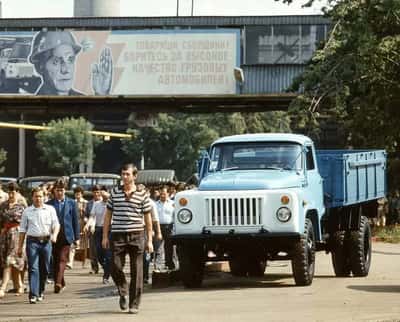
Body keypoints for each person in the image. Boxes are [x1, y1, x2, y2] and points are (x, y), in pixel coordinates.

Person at [102, 163, 153, 314]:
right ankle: (123, 291)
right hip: (117, 235)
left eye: (127, 174)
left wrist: (149, 240)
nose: (124, 177)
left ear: (134, 176)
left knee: (137, 270)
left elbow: (148, 219)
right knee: (114, 265)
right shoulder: (115, 193)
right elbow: (108, 216)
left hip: (137, 235)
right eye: (123, 174)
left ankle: (134, 304)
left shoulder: (142, 194)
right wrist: (105, 236)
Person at [29, 30, 113, 96]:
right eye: (56, 62)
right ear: (40, 67)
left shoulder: (83, 102)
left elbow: (97, 117)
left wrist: (101, 94)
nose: (66, 70)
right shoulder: (32, 108)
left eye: (70, 60)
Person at [17, 187, 60, 304]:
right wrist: (19, 247)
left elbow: (56, 224)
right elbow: (22, 230)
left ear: (44, 197)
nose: (38, 199)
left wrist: (54, 235)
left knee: (45, 268)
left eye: (40, 196)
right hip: (32, 242)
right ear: (32, 197)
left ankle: (41, 290)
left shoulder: (50, 209)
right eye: (36, 196)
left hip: (46, 242)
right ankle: (33, 294)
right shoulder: (27, 211)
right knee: (33, 268)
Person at [46, 178, 80, 294]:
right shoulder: (49, 204)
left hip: (67, 235)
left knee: (62, 259)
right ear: (54, 191)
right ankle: (62, 281)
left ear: (65, 191)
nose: (60, 192)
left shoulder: (71, 203)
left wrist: (77, 238)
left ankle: (58, 283)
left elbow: (75, 221)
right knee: (55, 260)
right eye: (57, 190)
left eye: (62, 190)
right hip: (53, 236)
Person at [0, 183, 27, 299]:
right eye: (9, 192)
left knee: (9, 261)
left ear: (17, 193)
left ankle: (3, 287)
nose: (11, 195)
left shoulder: (21, 206)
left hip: (16, 235)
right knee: (12, 262)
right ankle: (19, 285)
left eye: (13, 192)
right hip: (4, 235)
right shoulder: (3, 205)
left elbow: (24, 222)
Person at [84, 189, 112, 284]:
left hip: (110, 230)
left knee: (108, 254)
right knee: (99, 254)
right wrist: (87, 224)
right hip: (99, 230)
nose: (102, 194)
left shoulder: (112, 203)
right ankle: (108, 269)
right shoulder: (96, 204)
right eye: (101, 192)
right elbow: (92, 216)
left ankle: (106, 276)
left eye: (104, 192)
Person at [67, 186, 88, 269]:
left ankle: (84, 262)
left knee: (85, 245)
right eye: (76, 194)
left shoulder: (86, 202)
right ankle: (70, 262)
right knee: (73, 244)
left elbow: (88, 213)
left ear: (82, 194)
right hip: (74, 225)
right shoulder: (72, 202)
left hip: (84, 224)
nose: (77, 195)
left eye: (79, 194)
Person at [155, 187, 176, 271]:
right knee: (158, 248)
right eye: (161, 194)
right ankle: (158, 266)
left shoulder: (173, 203)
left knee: (169, 247)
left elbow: (175, 216)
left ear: (168, 194)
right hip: (158, 227)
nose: (162, 195)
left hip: (169, 227)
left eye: (164, 193)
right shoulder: (156, 204)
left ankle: (170, 265)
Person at [85, 185, 102, 274]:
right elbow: (87, 215)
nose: (96, 194)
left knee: (102, 249)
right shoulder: (89, 203)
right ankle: (94, 267)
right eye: (94, 192)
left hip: (102, 228)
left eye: (98, 192)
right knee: (92, 249)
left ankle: (105, 265)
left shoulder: (105, 202)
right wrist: (87, 223)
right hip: (92, 229)